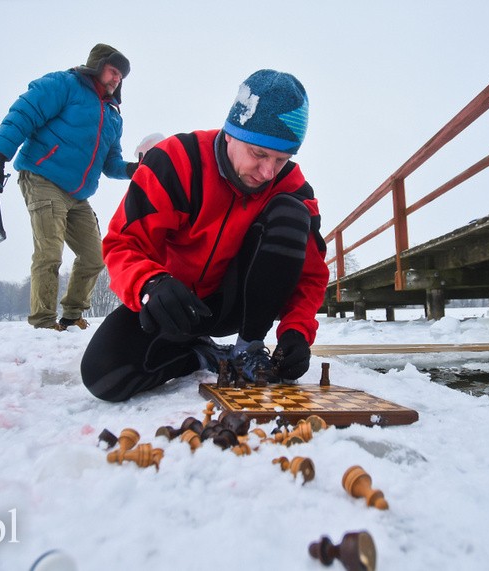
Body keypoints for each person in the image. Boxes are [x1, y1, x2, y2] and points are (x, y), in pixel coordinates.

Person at [80, 69, 330, 402]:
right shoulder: (174, 161)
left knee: (290, 212)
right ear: (231, 133)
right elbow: (124, 243)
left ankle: (249, 348)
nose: (268, 172)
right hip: (174, 304)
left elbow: (311, 275)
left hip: (237, 305)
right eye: (259, 154)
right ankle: (199, 354)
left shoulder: (293, 188)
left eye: (281, 159)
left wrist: (297, 330)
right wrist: (150, 284)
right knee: (103, 375)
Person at [0, 44, 143, 331]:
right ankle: (43, 322)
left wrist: (135, 169)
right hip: (43, 178)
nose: (117, 79)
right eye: (113, 71)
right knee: (50, 252)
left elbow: (110, 162)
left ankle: (71, 315)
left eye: (121, 76)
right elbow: (24, 113)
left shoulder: (113, 116)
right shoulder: (64, 84)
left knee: (95, 256)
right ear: (97, 65)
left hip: (77, 195)